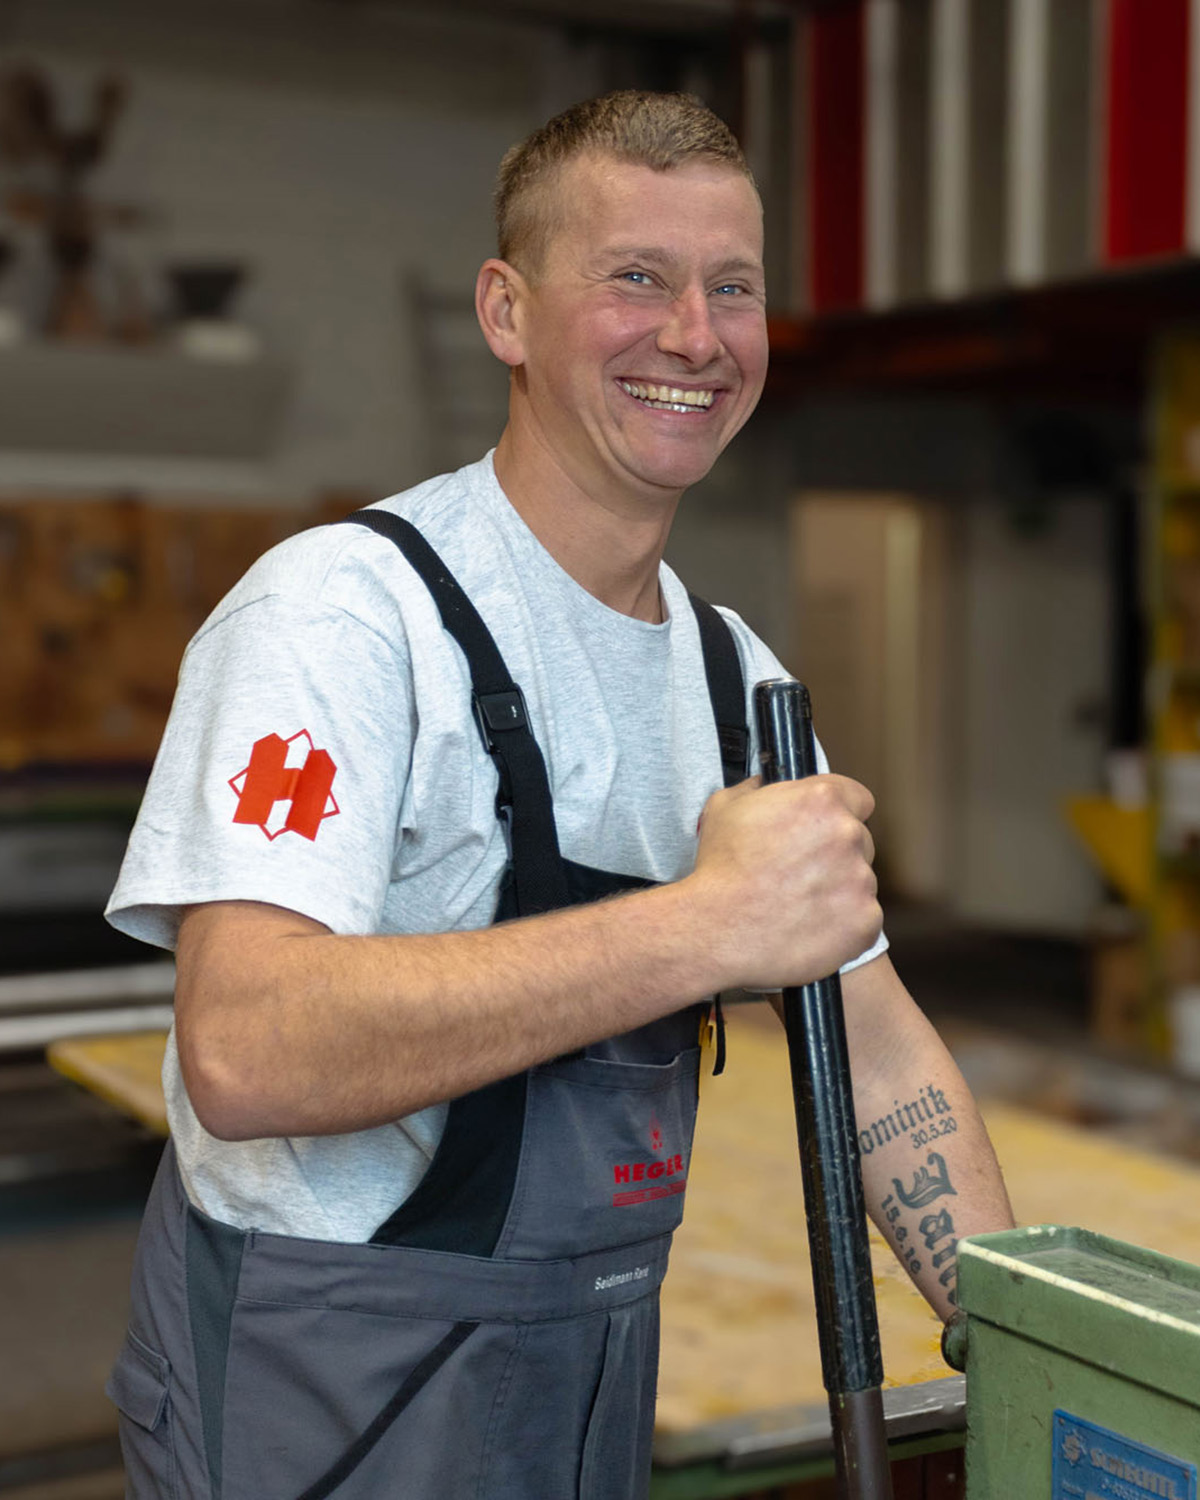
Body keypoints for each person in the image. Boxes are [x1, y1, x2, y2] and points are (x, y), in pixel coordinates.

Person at [104, 90, 1012, 1500]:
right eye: (635, 279)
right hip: (327, 1385)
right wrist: (706, 927)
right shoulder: (348, 616)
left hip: (587, 1362)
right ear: (508, 312)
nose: (694, 337)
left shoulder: (733, 680)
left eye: (731, 289)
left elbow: (880, 1051)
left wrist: (1010, 1340)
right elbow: (246, 1050)